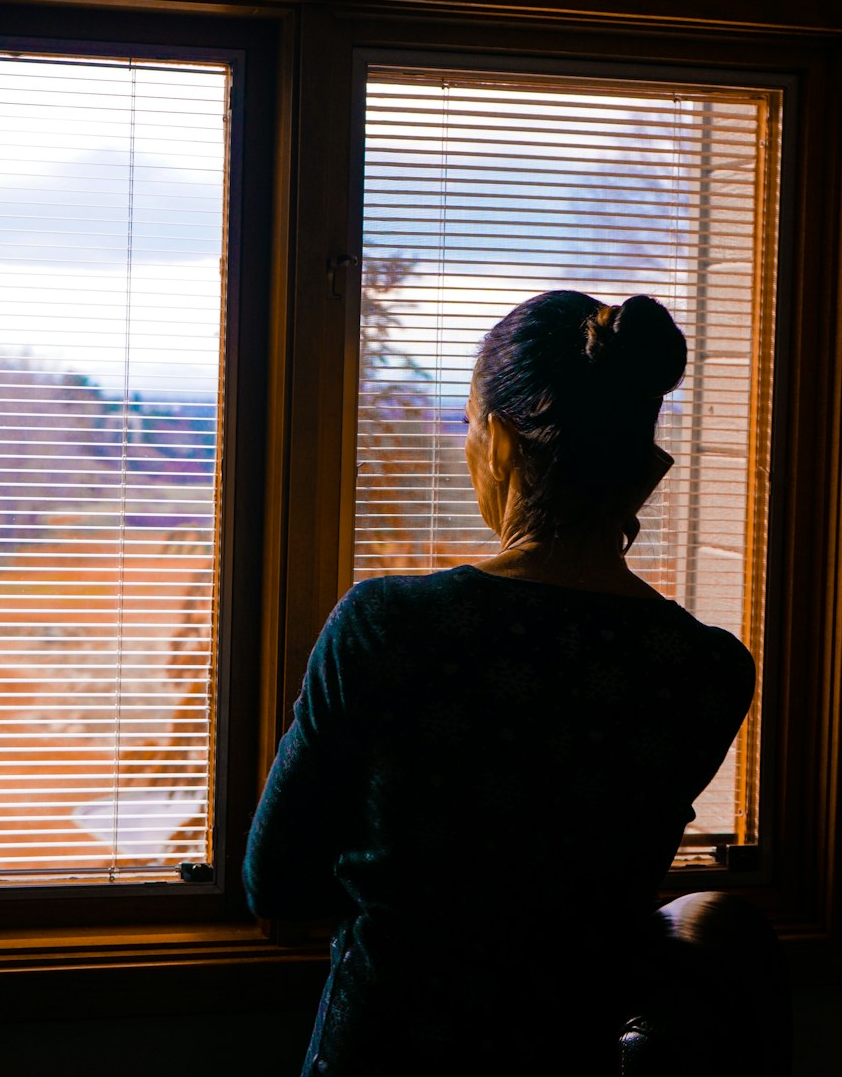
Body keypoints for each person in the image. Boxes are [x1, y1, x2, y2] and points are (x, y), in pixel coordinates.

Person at [243, 291, 761, 1073]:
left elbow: (277, 885)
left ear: (502, 442)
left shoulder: (388, 626)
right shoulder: (707, 669)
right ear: (643, 466)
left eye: (466, 429)